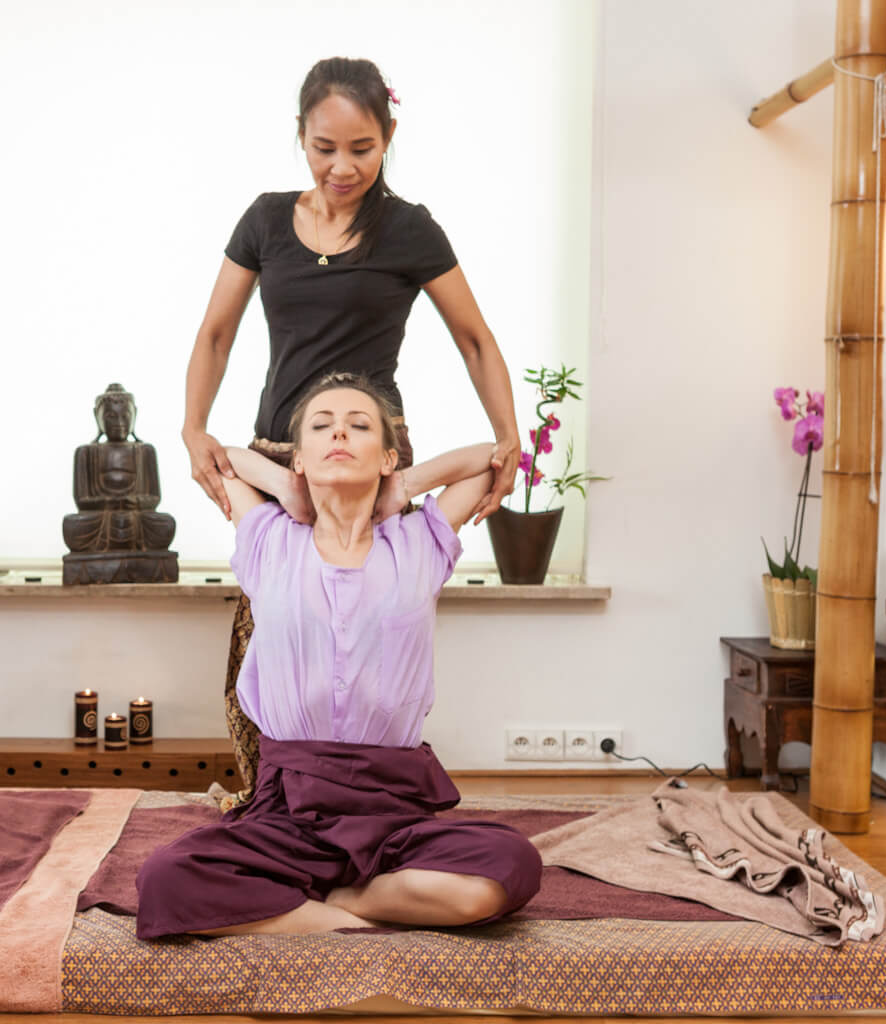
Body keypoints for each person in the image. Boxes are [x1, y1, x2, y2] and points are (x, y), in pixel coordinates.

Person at [181, 56, 521, 807]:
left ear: (389, 136)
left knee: (370, 639)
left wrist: (507, 438)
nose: (342, 167)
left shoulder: (408, 229)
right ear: (300, 136)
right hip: (279, 458)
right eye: (324, 148)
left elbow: (474, 338)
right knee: (274, 643)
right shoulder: (266, 220)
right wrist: (194, 427)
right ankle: (275, 802)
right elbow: (215, 334)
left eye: (362, 149)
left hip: (367, 458)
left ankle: (371, 797)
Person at [137, 375, 542, 938]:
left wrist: (404, 486)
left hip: (392, 808)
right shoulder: (270, 539)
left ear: (387, 457)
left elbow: (490, 457)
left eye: (360, 426)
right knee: (166, 879)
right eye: (322, 426)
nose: (340, 434)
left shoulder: (418, 541)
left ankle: (329, 902)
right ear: (300, 457)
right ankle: (360, 918)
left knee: (512, 865)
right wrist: (286, 484)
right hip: (288, 808)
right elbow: (220, 457)